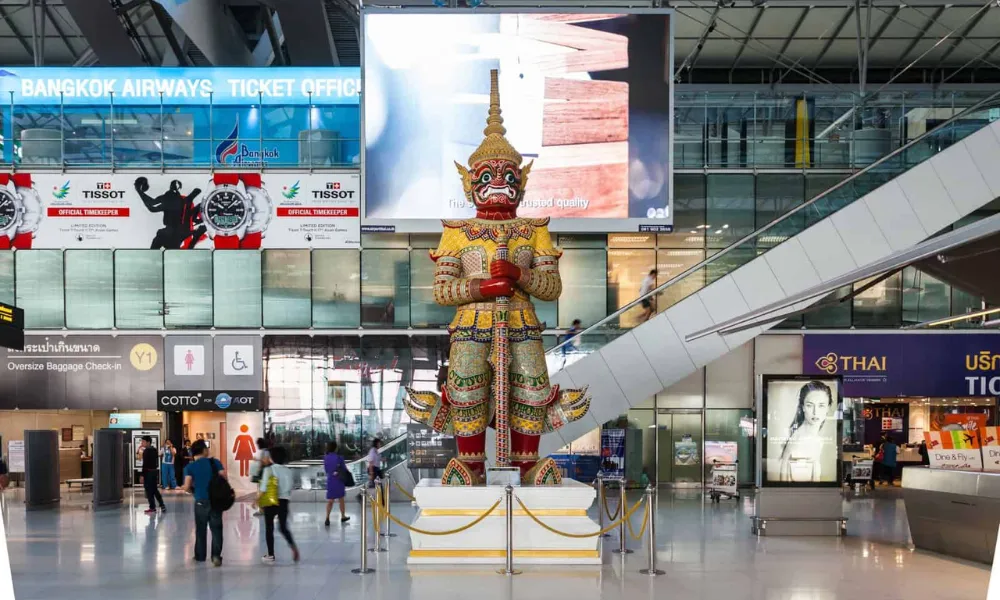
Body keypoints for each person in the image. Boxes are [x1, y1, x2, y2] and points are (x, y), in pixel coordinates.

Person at [778, 381, 834, 483]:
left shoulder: (814, 437)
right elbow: (785, 476)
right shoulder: (801, 438)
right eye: (809, 405)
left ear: (828, 408)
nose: (815, 412)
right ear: (803, 407)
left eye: (821, 405)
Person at [183, 440, 226, 566]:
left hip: (200, 501)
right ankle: (216, 556)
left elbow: (186, 486)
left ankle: (200, 556)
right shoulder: (215, 462)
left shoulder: (190, 467)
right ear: (204, 450)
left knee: (201, 530)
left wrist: (194, 491)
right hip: (216, 501)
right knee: (217, 529)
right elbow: (224, 478)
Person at [259, 446, 299, 563]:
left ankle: (271, 555)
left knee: (269, 528)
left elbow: (263, 487)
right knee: (283, 527)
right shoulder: (288, 471)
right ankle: (293, 547)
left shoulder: (269, 470)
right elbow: (291, 486)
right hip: (284, 501)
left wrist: (256, 500)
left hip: (271, 501)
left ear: (272, 457)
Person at [323, 441, 350, 526]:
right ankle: (343, 516)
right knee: (341, 499)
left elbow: (326, 470)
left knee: (330, 500)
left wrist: (332, 472)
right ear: (335, 448)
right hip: (339, 480)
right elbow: (344, 469)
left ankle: (327, 518)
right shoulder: (339, 457)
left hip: (331, 480)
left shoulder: (326, 457)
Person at [140, 436, 166, 514]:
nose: (142, 443)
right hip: (154, 472)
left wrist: (142, 475)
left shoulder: (146, 451)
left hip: (148, 472)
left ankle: (152, 507)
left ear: (148, 442)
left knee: (149, 490)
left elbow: (145, 464)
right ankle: (162, 505)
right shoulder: (154, 450)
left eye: (143, 441)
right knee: (154, 489)